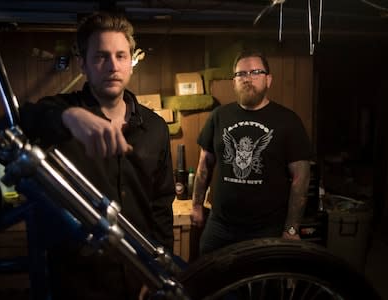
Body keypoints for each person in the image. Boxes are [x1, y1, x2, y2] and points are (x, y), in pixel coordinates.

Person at [17, 12, 175, 300]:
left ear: (131, 63)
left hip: (138, 277)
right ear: (84, 65)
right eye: (101, 56)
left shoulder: (155, 127)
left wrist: (158, 272)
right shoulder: (62, 112)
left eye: (121, 55)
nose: (113, 66)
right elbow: (19, 120)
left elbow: (161, 207)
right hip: (77, 281)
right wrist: (69, 116)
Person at [190, 49, 311, 255]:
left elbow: (301, 178)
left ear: (268, 80)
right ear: (234, 82)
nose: (248, 79)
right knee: (210, 281)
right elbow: (204, 165)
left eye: (256, 72)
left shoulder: (288, 121)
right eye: (241, 74)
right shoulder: (219, 116)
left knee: (263, 285)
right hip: (220, 225)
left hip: (267, 229)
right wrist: (196, 205)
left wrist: (291, 229)